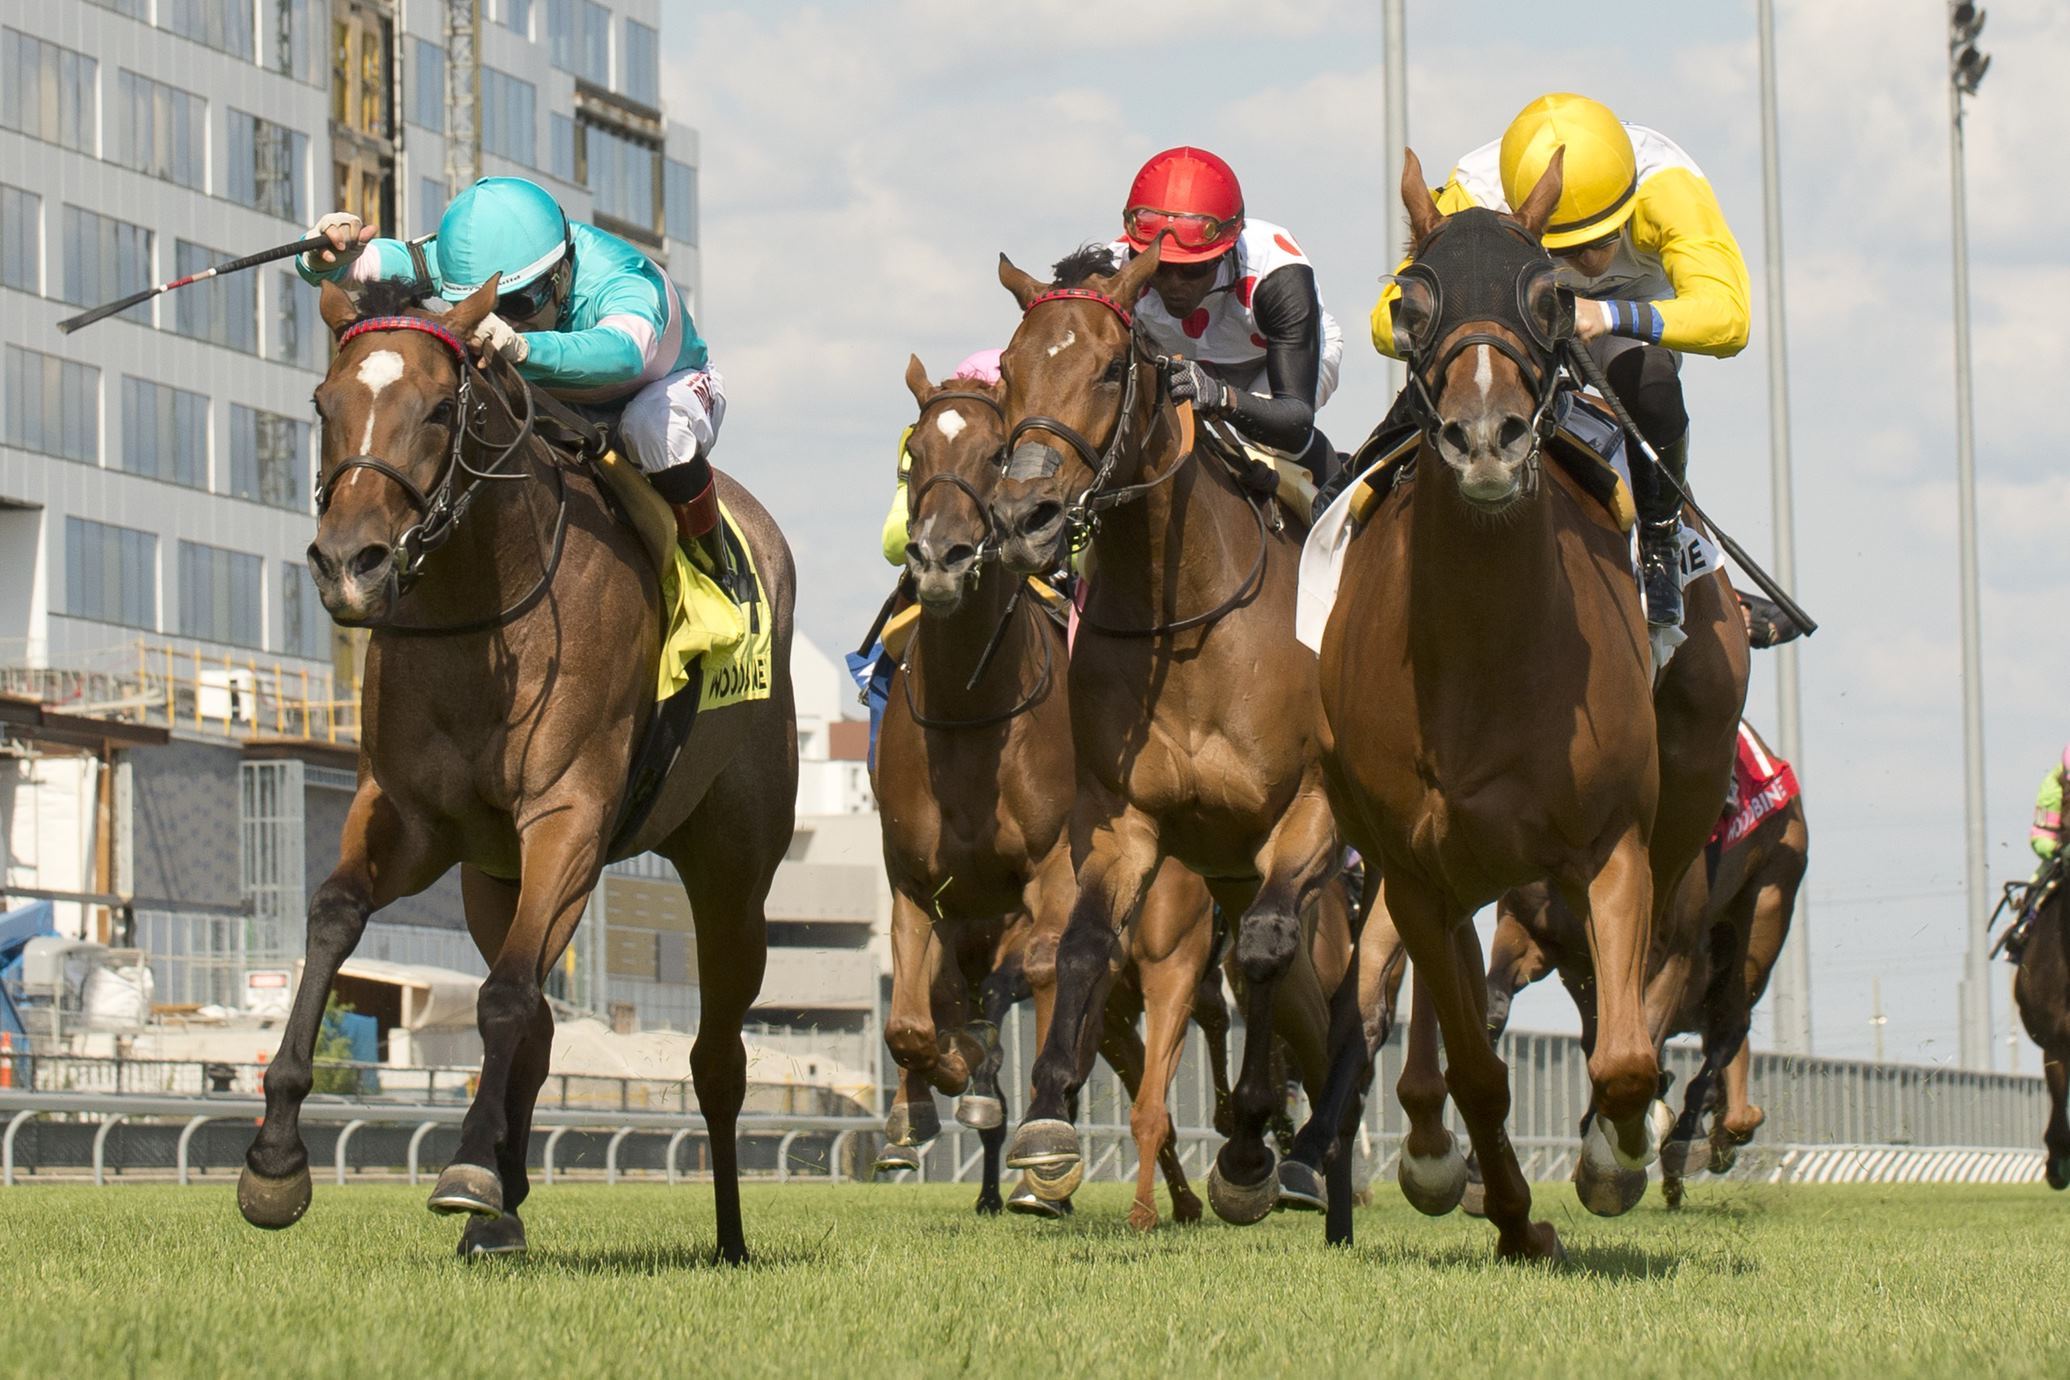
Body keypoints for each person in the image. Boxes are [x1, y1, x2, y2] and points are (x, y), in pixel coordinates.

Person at [1372, 93, 1751, 628]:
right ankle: (1345, 503)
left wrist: (1607, 316)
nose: (1588, 264)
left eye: (1600, 239)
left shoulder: (1671, 188)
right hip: (1517, 318)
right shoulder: (1472, 192)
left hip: (1624, 318)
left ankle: (1662, 538)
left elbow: (1731, 320)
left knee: (1653, 385)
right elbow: (1383, 324)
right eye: (1564, 247)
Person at [298, 176, 726, 568]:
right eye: (488, 306)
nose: (504, 320)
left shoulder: (623, 280)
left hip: (659, 389)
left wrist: (523, 348)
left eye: (519, 304)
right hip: (554, 395)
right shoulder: (456, 261)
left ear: (561, 274)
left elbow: (625, 355)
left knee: (651, 430)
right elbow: (361, 263)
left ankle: (716, 570)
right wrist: (323, 255)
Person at [1103, 147, 1344, 483]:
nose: (1174, 285)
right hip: (1186, 364)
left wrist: (1220, 396)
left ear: (1228, 250)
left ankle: (1336, 505)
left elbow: (1295, 418)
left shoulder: (1277, 275)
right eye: (1160, 267)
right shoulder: (1113, 271)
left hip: (1271, 363)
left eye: (1193, 270)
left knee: (1266, 441)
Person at [2002, 746, 2070, 963]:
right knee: (2039, 892)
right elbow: (2040, 835)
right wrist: (2057, 849)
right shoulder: (2053, 785)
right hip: (2062, 858)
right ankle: (2023, 930)